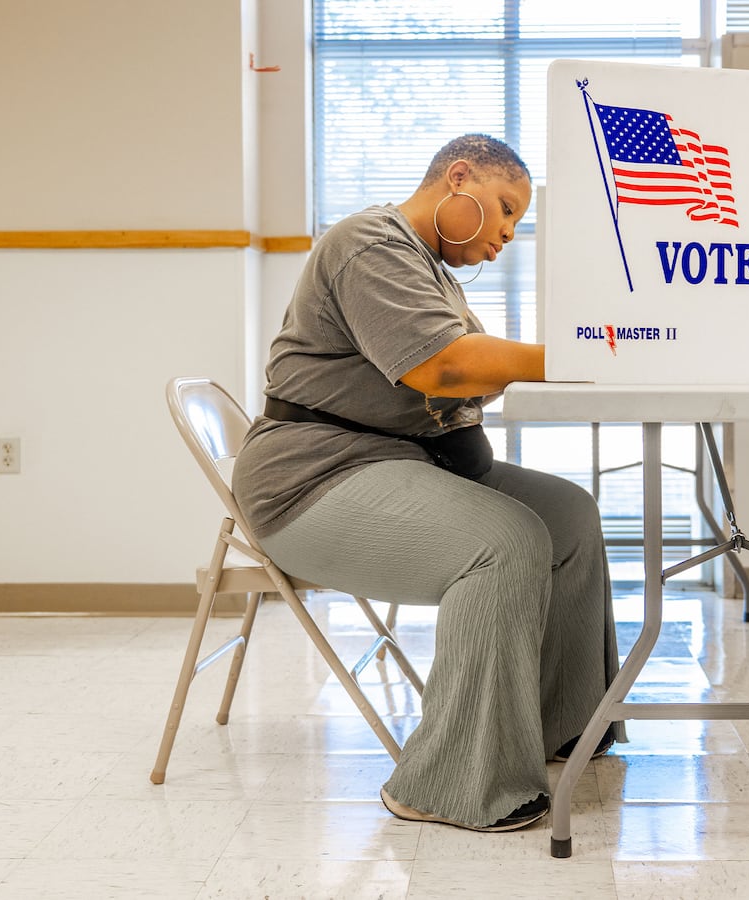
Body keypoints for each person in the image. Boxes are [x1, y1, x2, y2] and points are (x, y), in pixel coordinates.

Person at [231, 133, 624, 832]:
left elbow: (467, 371)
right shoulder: (368, 244)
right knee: (503, 541)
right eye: (504, 209)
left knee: (568, 514)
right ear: (459, 178)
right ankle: (442, 784)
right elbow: (442, 369)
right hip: (310, 482)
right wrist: (582, 349)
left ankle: (555, 724)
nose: (506, 235)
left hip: (395, 463)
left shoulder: (428, 272)